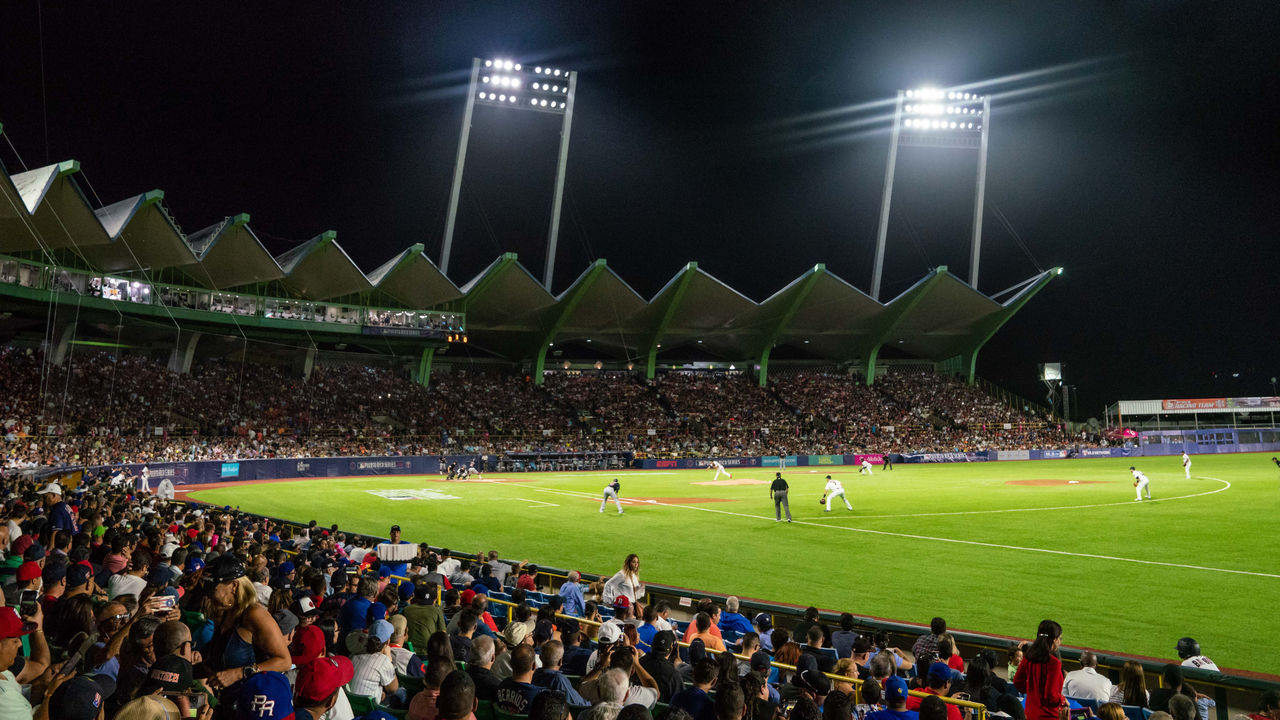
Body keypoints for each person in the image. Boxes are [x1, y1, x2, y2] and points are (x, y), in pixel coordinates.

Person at [195, 555, 292, 701]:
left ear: (234, 586)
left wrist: (238, 673)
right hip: (228, 704)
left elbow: (284, 661)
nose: (208, 595)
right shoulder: (223, 612)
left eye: (213, 589)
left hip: (252, 705)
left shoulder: (255, 615)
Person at [1013, 620, 1067, 720]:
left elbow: (1017, 682)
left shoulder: (1028, 658)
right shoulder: (1054, 663)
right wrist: (1062, 700)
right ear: (1054, 639)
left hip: (1030, 712)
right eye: (1060, 638)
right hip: (1048, 715)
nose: (1060, 641)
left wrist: (1032, 693)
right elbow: (1051, 696)